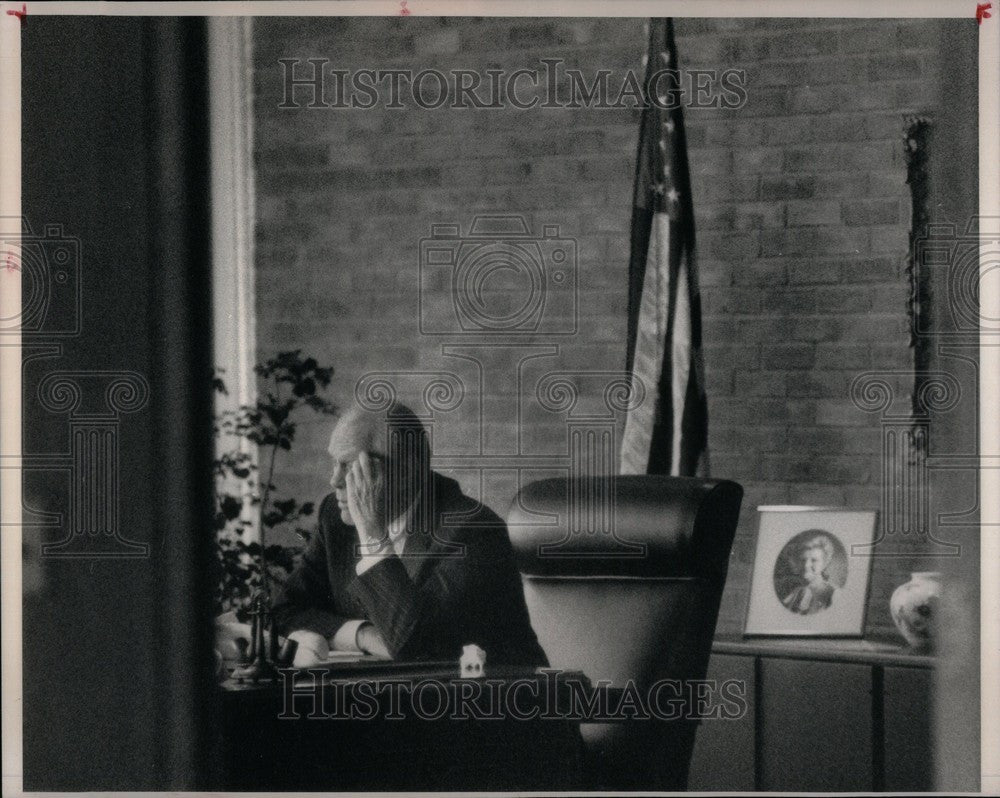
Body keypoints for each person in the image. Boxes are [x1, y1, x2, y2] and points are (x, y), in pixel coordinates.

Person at [270, 400, 547, 666]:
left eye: (350, 466)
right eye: (334, 463)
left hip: (489, 704)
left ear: (407, 471)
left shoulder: (472, 532)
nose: (335, 481)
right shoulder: (335, 517)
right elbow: (283, 610)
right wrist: (362, 634)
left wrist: (372, 535)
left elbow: (414, 646)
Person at [780, 532, 837, 615]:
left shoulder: (833, 594)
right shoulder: (795, 593)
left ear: (825, 564)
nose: (806, 565)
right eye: (803, 560)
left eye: (814, 560)